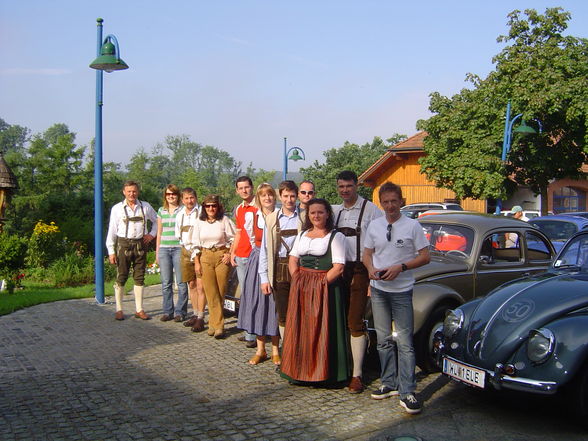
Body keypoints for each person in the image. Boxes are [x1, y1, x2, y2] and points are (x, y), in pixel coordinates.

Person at [362, 182, 430, 415]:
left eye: (394, 201)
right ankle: (388, 383)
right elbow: (367, 254)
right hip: (379, 289)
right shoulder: (374, 225)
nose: (390, 206)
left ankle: (408, 390)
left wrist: (401, 267)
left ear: (402, 201)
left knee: (405, 342)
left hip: (401, 291)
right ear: (381, 203)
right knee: (382, 339)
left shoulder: (412, 226)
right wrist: (370, 269)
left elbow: (425, 257)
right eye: (386, 202)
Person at [280, 198, 350, 384]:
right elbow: (293, 258)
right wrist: (298, 279)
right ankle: (298, 370)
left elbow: (339, 267)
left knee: (323, 328)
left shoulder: (336, 237)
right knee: (300, 328)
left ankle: (325, 374)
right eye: (313, 213)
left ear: (328, 214)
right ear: (308, 216)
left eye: (320, 212)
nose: (316, 216)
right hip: (301, 288)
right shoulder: (303, 235)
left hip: (326, 289)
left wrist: (318, 285)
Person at [333, 170, 384, 393]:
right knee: (337, 320)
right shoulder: (335, 212)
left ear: (357, 186)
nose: (345, 190)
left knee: (355, 322)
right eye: (341, 187)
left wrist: (373, 278)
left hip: (360, 271)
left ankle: (357, 375)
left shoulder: (371, 211)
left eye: (349, 186)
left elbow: (381, 245)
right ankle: (340, 368)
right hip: (338, 270)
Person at [237, 183, 281, 365]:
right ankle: (260, 349)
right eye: (263, 195)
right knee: (258, 304)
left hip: (276, 260)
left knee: (274, 305)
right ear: (258, 198)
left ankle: (276, 350)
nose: (267, 198)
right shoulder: (252, 216)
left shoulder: (279, 215)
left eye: (270, 195)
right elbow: (250, 239)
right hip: (257, 261)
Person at [106, 180, 157, 321]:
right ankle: (119, 309)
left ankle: (139, 309)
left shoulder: (145, 207)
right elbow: (112, 230)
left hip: (141, 244)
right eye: (129, 191)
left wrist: (151, 234)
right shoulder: (117, 208)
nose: (131, 194)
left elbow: (158, 221)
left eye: (134, 191)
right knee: (121, 276)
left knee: (140, 276)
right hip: (124, 244)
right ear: (124, 192)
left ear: (138, 192)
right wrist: (111, 250)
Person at [259, 180, 304, 341]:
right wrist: (264, 278)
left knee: (301, 313)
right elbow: (265, 251)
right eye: (286, 196)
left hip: (300, 269)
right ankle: (287, 352)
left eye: (292, 196)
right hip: (279, 270)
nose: (289, 200)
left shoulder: (304, 217)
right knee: (283, 315)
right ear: (280, 196)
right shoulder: (271, 219)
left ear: (297, 196)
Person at [190, 195, 236, 339]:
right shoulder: (199, 222)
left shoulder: (224, 220)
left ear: (218, 207)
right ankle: (215, 324)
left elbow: (234, 238)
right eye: (208, 206)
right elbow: (194, 244)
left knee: (221, 291)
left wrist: (229, 253)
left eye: (214, 206)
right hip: (205, 256)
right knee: (210, 292)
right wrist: (197, 262)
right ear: (204, 207)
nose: (211, 209)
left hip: (221, 256)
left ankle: (217, 325)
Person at [229, 176, 258, 348]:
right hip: (241, 255)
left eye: (247, 187)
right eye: (241, 188)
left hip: (254, 255)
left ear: (252, 188)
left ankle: (253, 334)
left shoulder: (258, 207)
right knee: (245, 295)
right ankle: (248, 331)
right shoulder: (239, 209)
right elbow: (238, 233)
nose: (244, 190)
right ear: (237, 191)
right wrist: (232, 252)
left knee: (254, 294)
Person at [175, 187, 207, 332]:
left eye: (192, 198)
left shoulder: (201, 213)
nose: (189, 201)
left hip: (199, 251)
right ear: (182, 200)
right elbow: (178, 234)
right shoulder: (179, 214)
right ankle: (194, 314)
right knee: (192, 285)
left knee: (201, 286)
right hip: (185, 251)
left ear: (196, 198)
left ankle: (201, 316)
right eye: (186, 198)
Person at [156, 185, 188, 322]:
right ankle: (168, 311)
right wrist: (157, 251)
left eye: (173, 194)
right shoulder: (161, 211)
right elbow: (159, 232)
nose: (171, 196)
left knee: (181, 282)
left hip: (178, 248)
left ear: (178, 195)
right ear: (165, 196)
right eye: (168, 194)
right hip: (164, 248)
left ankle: (180, 312)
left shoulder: (183, 210)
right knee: (166, 282)